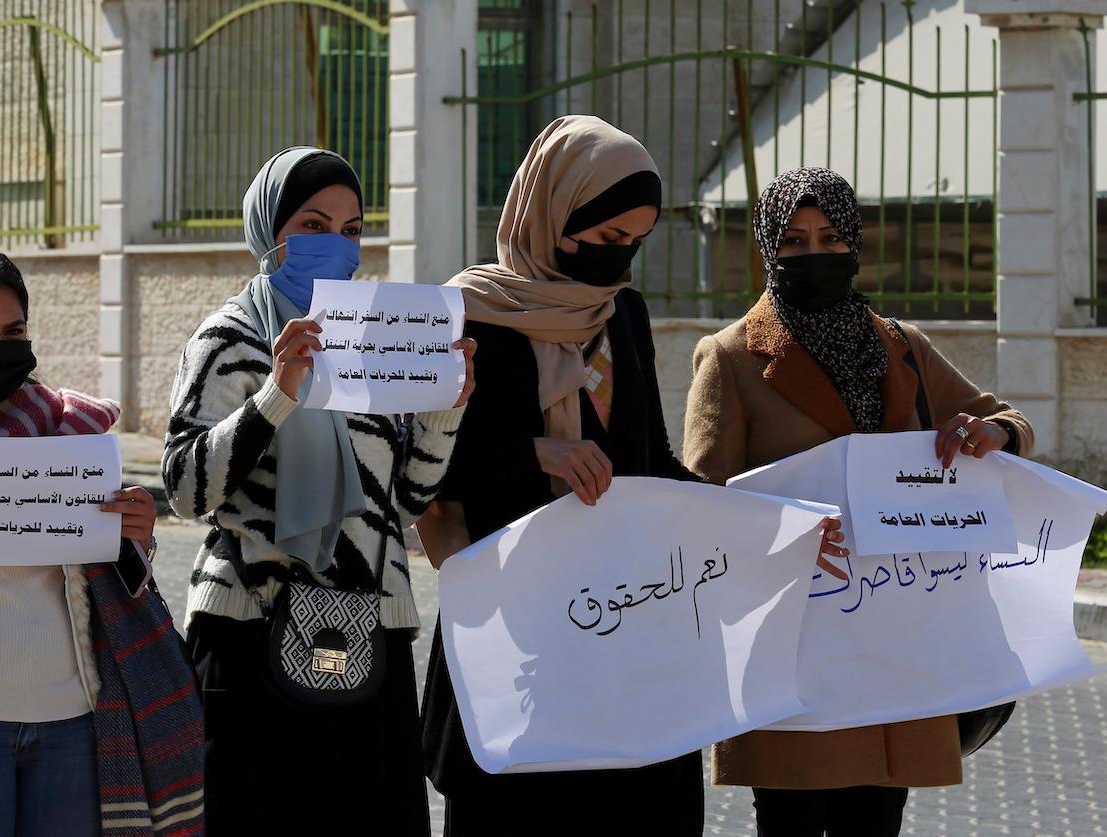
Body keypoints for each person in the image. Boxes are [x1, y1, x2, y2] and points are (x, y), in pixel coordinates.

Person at [418, 115, 845, 837]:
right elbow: (421, 469)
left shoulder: (622, 315)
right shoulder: (466, 319)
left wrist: (767, 530)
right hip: (519, 644)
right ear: (554, 211)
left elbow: (651, 462)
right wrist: (534, 453)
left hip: (627, 642)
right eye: (608, 239)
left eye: (636, 242)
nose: (619, 261)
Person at [683, 166, 1035, 836]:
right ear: (767, 248)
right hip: (795, 653)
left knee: (876, 821)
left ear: (854, 242)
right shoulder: (730, 357)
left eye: (828, 236)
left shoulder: (899, 344)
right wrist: (782, 532)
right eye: (792, 241)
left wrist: (994, 433)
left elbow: (1008, 419)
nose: (813, 254)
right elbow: (700, 506)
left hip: (896, 653)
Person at [163, 146, 476, 836]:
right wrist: (277, 394)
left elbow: (405, 504)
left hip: (371, 629)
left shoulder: (373, 338)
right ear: (268, 231)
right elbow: (185, 487)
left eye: (351, 228)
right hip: (251, 626)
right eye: (312, 224)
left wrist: (445, 409)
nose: (335, 243)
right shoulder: (227, 341)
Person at [0, 251, 202, 837]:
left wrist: (135, 539)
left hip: (73, 724)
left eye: (12, 331)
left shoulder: (72, 438)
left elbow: (114, 589)